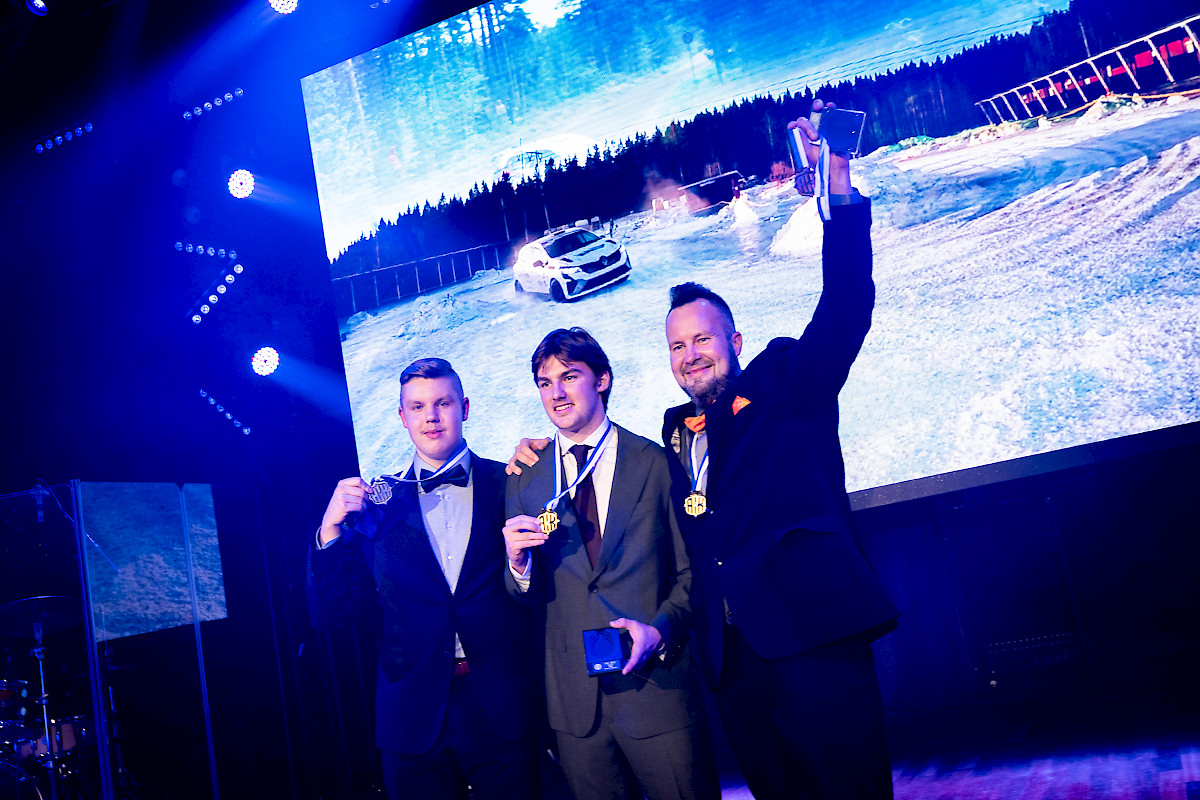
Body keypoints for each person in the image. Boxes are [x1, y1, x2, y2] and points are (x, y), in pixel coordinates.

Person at [657, 102, 899, 799]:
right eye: (677, 346)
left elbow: (846, 305)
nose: (690, 355)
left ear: (734, 341)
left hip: (813, 638)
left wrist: (839, 185)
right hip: (734, 665)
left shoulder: (787, 381)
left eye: (703, 339)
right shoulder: (677, 431)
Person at [306, 358, 542, 800]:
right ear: (402, 416)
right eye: (417, 407)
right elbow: (329, 616)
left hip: (503, 705)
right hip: (411, 715)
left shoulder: (511, 483)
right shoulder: (375, 504)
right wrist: (329, 529)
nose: (431, 417)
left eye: (442, 403)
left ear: (464, 407)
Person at [502, 328, 718, 800]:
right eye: (544, 383)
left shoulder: (655, 463)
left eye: (569, 377)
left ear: (601, 380)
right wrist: (517, 565)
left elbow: (691, 574)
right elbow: (524, 594)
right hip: (576, 708)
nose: (556, 393)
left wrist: (659, 630)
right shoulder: (523, 476)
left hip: (656, 690)